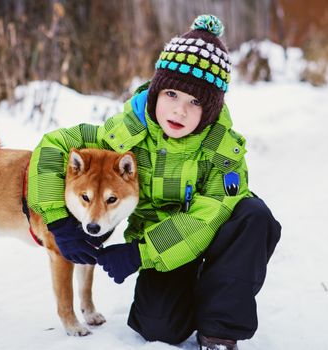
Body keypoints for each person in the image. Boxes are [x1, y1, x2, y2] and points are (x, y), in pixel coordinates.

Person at [27, 14, 281, 350]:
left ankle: (219, 329)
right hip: (165, 246)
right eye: (172, 95)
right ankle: (190, 291)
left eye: (196, 103)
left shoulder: (224, 150)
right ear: (156, 92)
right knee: (159, 328)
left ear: (211, 109)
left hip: (205, 240)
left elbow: (215, 212)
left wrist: (138, 253)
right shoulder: (124, 135)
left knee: (253, 215)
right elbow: (52, 146)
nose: (179, 111)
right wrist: (59, 220)